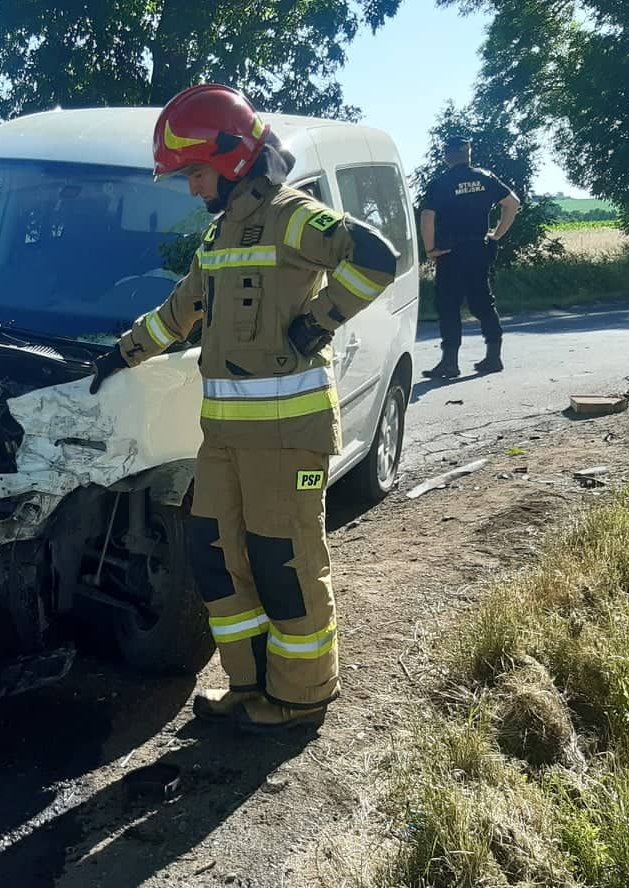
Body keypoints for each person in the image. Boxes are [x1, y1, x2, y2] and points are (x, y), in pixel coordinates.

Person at [90, 84, 400, 732]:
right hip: (225, 437)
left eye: (194, 173)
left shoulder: (294, 217)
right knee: (214, 554)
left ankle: (302, 694)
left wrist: (317, 322)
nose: (190, 188)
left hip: (289, 436)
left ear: (230, 160)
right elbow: (184, 306)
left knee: (283, 562)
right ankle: (250, 685)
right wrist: (125, 351)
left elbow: (375, 258)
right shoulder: (221, 233)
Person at [419, 138, 521, 378]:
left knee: (449, 305)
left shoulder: (441, 183)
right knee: (483, 301)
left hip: (450, 252)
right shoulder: (485, 177)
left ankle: (450, 362)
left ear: (447, 156)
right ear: (468, 153)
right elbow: (512, 203)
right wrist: (496, 235)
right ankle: (493, 357)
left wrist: (430, 250)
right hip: (478, 248)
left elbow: (427, 218)